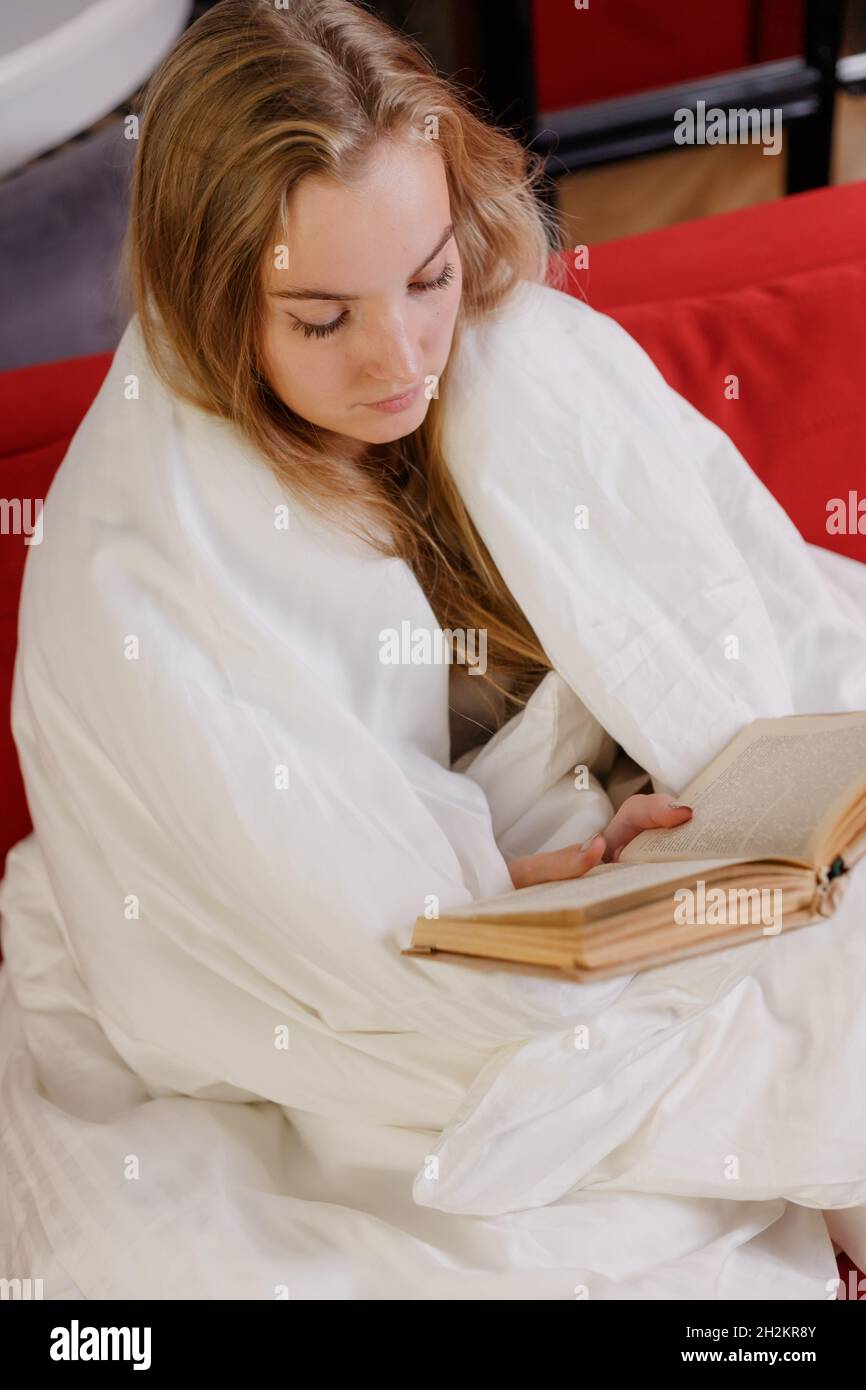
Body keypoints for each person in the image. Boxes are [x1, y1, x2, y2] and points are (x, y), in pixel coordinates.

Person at [2, 0, 866, 1301]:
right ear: (208, 297)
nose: (400, 356)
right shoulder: (144, 561)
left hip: (597, 856)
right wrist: (529, 887)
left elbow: (726, 625)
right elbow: (323, 934)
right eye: (320, 316)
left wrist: (632, 821)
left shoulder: (524, 353)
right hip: (355, 966)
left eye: (424, 277)